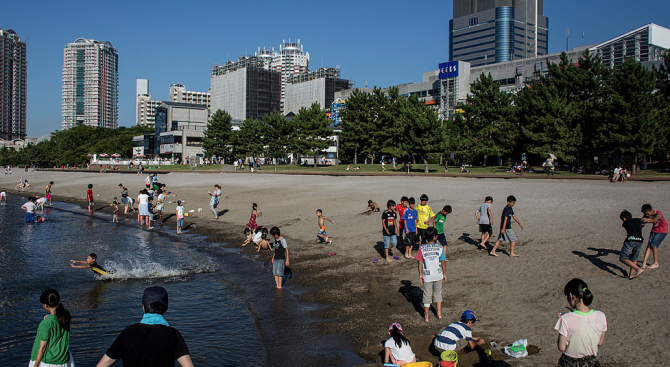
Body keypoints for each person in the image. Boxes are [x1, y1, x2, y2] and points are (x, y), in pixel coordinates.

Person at [96, 286, 194, 367]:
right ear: (166, 307)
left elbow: (102, 365)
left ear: (143, 307)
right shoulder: (172, 334)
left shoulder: (128, 332)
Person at [555, 278, 607, 367]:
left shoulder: (565, 319)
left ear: (571, 296)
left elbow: (561, 347)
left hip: (570, 362)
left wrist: (563, 320)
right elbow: (600, 342)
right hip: (591, 362)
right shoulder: (601, 315)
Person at [29, 289, 74, 367]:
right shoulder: (66, 314)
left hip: (49, 361)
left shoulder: (46, 323)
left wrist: (35, 365)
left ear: (46, 305)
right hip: (63, 358)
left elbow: (43, 347)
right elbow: (59, 316)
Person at [416, 227, 446, 322]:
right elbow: (443, 262)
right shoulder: (440, 248)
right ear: (434, 237)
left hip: (427, 275)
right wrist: (444, 274)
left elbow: (420, 263)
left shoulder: (422, 248)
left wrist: (420, 275)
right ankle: (439, 313)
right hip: (438, 274)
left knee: (427, 296)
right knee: (438, 294)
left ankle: (426, 316)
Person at [619, 210, 645, 279]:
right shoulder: (638, 220)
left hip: (630, 240)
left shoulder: (625, 223)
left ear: (624, 218)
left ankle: (638, 269)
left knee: (623, 258)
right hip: (640, 241)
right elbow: (643, 224)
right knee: (634, 258)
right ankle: (631, 275)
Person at [641, 203, 667, 269]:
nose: (647, 215)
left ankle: (656, 263)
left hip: (662, 230)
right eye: (645, 214)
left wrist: (647, 220)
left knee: (654, 245)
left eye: (647, 213)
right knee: (649, 246)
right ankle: (644, 263)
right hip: (654, 230)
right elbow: (642, 225)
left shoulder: (659, 213)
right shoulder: (646, 215)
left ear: (652, 210)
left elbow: (654, 220)